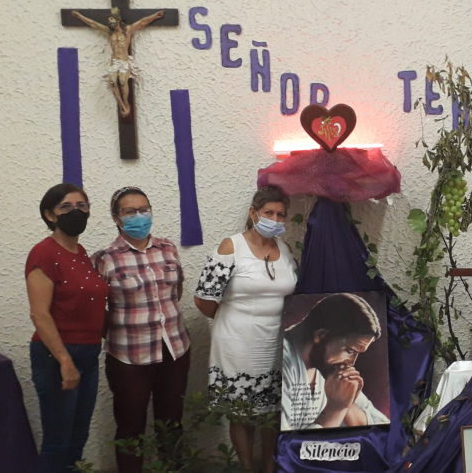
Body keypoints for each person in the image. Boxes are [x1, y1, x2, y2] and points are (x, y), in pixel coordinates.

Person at [194, 185, 297, 473]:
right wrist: (236, 320)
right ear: (253, 213)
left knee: (272, 411)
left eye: (281, 214)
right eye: (268, 213)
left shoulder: (285, 250)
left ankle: (270, 467)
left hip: (276, 344)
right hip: (236, 345)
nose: (275, 219)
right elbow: (203, 299)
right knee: (242, 414)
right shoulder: (231, 247)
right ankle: (247, 468)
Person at [91, 187, 190, 472]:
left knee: (171, 422)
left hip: (174, 347)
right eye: (130, 211)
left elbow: (176, 291)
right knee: (130, 426)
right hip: (129, 356)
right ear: (116, 218)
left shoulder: (167, 248)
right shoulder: (105, 258)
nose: (139, 216)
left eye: (144, 209)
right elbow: (97, 310)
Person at [26, 183, 109, 472]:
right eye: (66, 207)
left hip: (88, 353)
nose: (76, 212)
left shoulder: (81, 252)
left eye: (82, 206)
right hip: (57, 356)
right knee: (58, 441)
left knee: (78, 437)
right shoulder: (44, 253)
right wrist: (64, 360)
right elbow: (40, 314)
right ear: (50, 215)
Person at [280, 293, 389, 430]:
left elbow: (382, 425)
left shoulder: (330, 368)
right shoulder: (278, 363)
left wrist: (346, 405)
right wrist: (336, 409)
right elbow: (284, 441)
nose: (351, 363)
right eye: (350, 351)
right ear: (321, 335)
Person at [70, 7, 166, 117]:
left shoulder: (128, 30)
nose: (110, 23)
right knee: (112, 81)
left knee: (122, 81)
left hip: (124, 61)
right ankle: (121, 105)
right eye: (109, 21)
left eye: (112, 20)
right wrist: (80, 16)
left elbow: (142, 22)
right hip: (115, 61)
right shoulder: (109, 32)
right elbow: (93, 24)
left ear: (118, 20)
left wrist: (155, 16)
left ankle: (126, 103)